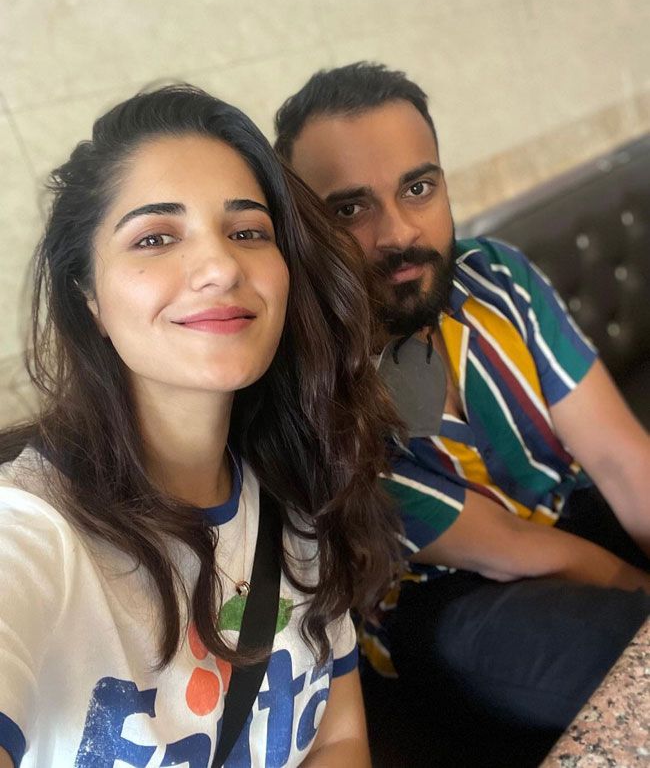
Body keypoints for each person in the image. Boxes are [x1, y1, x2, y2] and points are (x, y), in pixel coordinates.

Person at [0, 84, 405, 767]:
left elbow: (338, 738)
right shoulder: (30, 533)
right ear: (89, 295)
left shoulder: (299, 489)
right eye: (155, 238)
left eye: (247, 232)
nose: (220, 267)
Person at [274, 62, 650, 766]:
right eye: (350, 209)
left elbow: (623, 460)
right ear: (304, 228)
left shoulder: (496, 277)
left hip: (561, 511)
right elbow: (506, 545)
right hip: (449, 599)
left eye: (418, 188)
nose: (398, 232)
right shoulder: (309, 389)